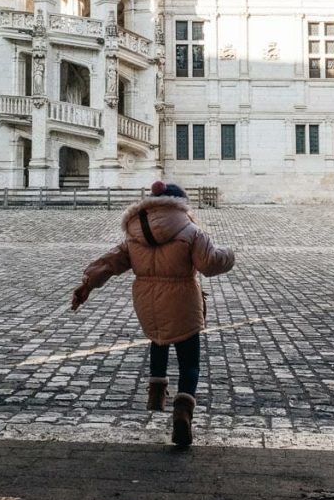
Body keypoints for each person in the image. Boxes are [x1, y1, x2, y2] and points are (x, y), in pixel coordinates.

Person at [71, 179, 234, 447]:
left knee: (158, 339)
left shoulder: (134, 234)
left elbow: (110, 263)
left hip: (147, 301)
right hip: (182, 299)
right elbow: (210, 264)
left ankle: (156, 395)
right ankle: (182, 412)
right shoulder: (192, 232)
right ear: (180, 205)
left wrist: (86, 284)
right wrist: (229, 254)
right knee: (189, 360)